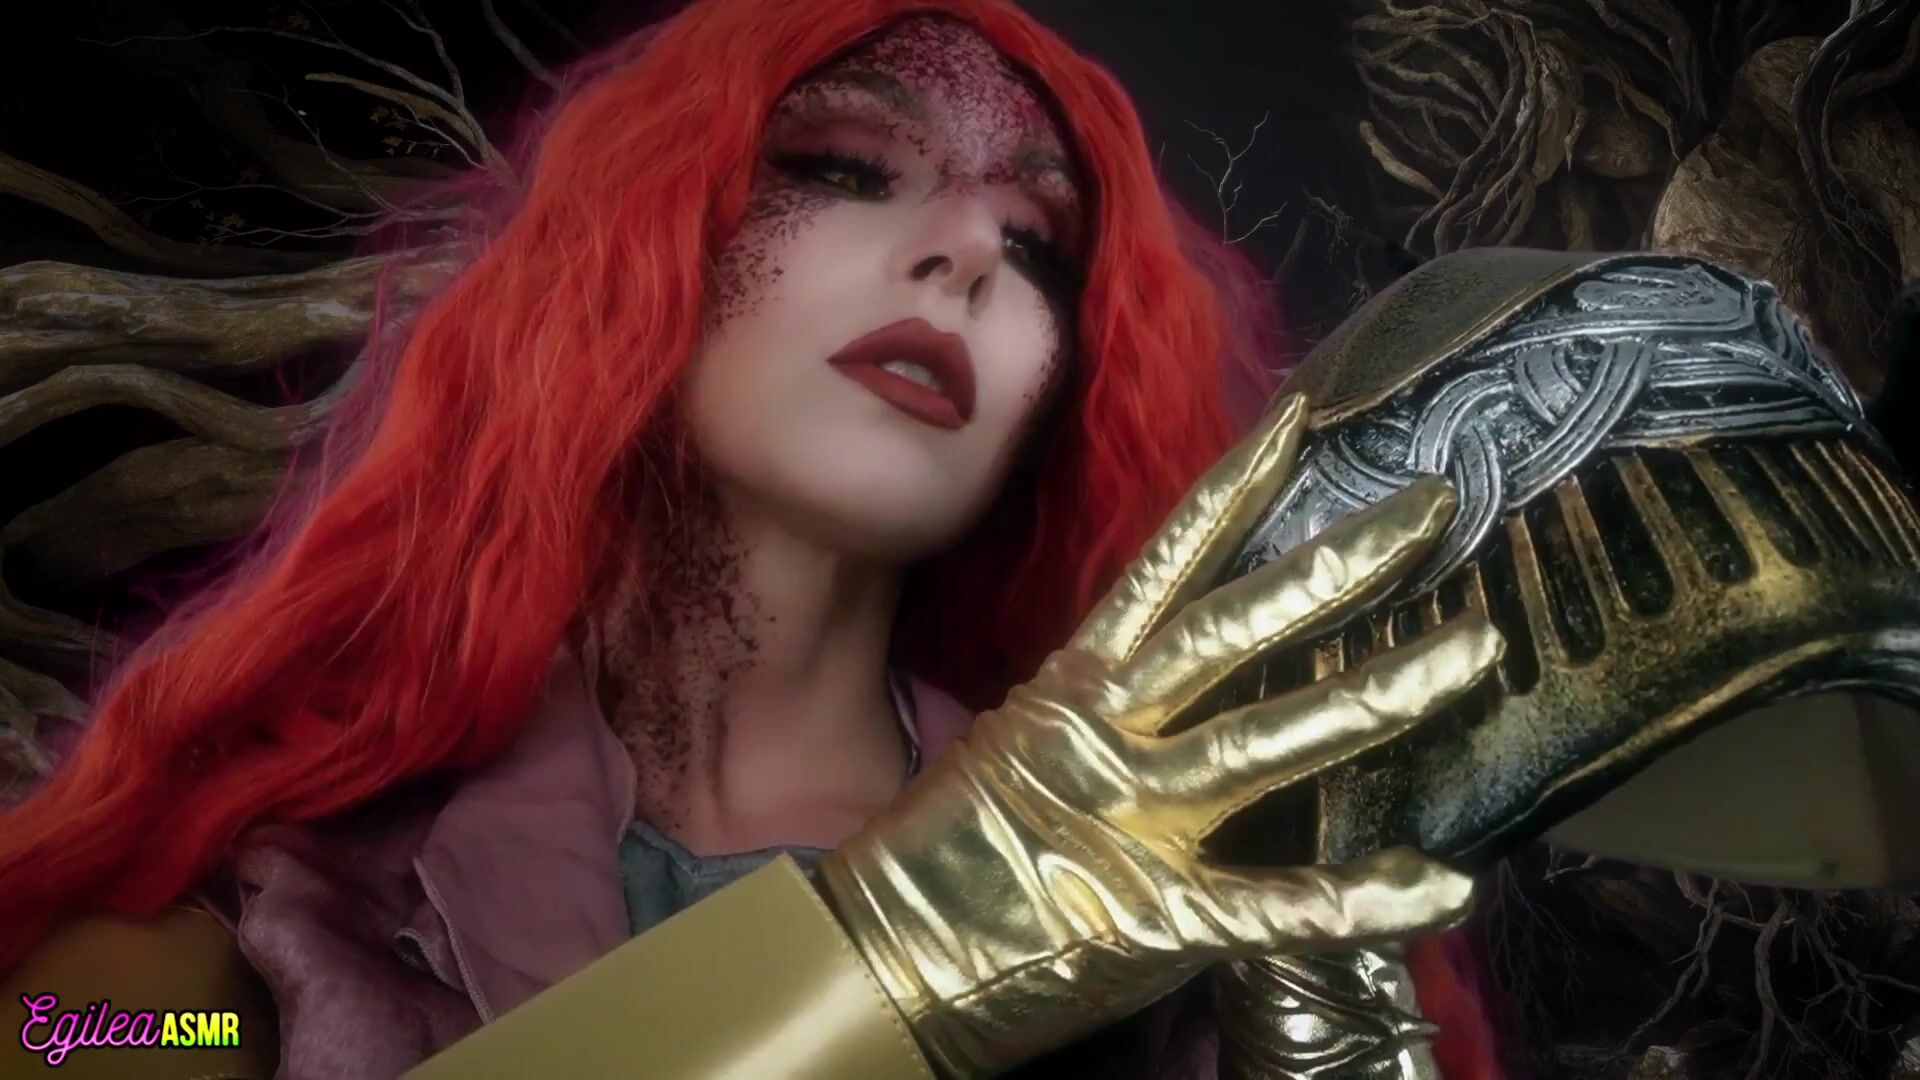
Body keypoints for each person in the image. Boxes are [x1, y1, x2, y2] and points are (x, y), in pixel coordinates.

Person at [0, 1, 1506, 1076]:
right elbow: (69, 1041)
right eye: (845, 169)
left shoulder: (1176, 921)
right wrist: (902, 951)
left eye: (1039, 247)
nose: (966, 252)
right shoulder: (270, 916)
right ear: (642, 249)